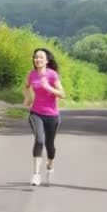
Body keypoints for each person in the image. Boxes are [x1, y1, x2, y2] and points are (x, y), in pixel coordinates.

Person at [23, 48, 65, 186]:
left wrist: (48, 87)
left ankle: (50, 166)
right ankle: (36, 174)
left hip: (52, 115)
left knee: (50, 146)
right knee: (39, 140)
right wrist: (27, 97)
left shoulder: (52, 75)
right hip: (36, 113)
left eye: (41, 57)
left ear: (47, 60)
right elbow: (26, 86)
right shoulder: (32, 74)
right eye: (36, 57)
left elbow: (62, 94)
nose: (38, 59)